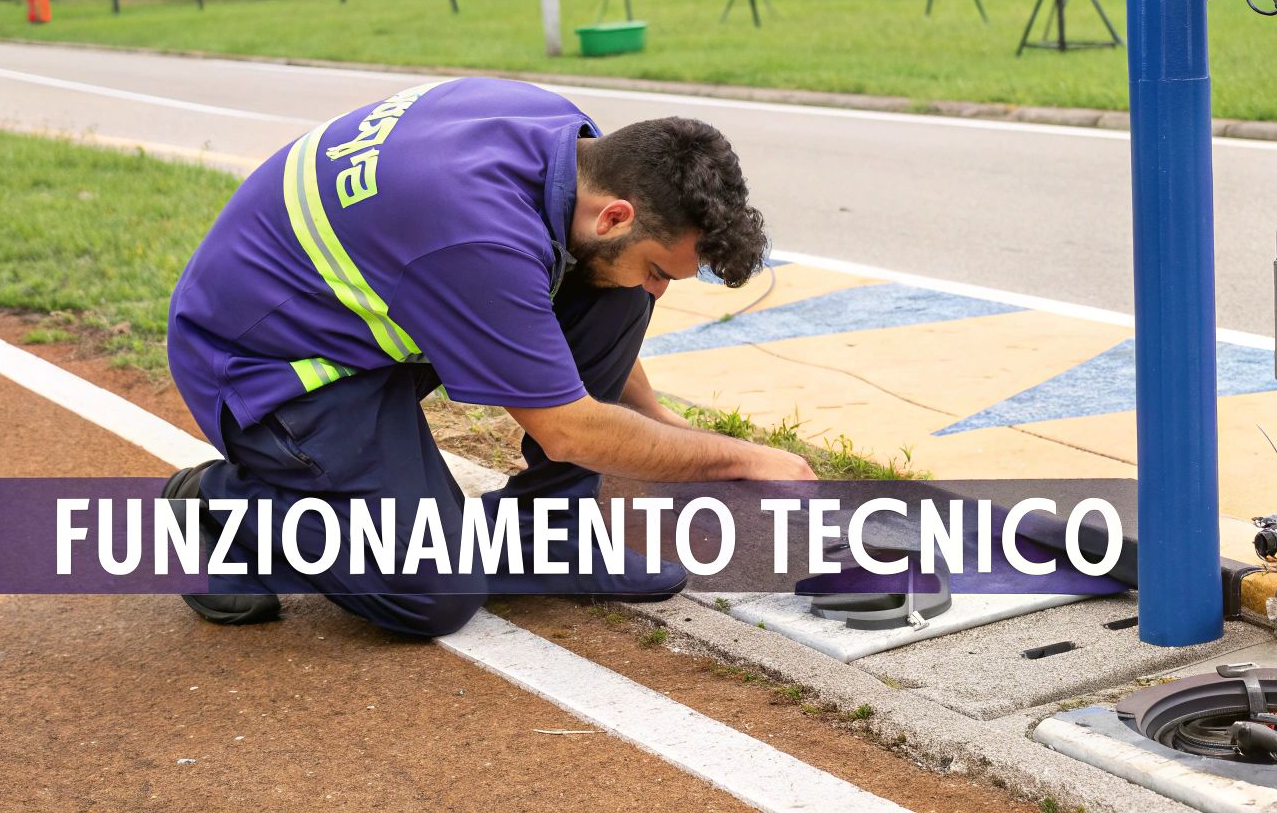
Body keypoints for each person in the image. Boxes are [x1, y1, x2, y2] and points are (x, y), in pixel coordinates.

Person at [162, 76, 815, 637]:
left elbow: (575, 300)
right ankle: (225, 507)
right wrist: (743, 459)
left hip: (368, 307)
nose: (661, 290)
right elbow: (568, 429)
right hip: (268, 366)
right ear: (615, 215)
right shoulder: (476, 236)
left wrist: (664, 421)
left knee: (612, 285)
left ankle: (548, 534)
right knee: (434, 594)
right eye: (661, 269)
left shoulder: (561, 140)